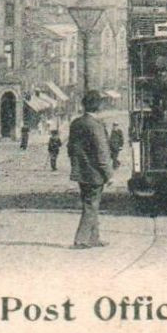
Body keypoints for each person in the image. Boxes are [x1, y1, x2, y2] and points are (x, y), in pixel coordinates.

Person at [67, 91, 113, 249]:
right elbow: (102, 151)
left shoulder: (76, 123)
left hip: (81, 171)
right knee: (91, 205)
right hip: (95, 173)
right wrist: (109, 174)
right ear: (98, 105)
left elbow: (70, 148)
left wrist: (77, 163)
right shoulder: (96, 125)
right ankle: (81, 239)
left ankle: (94, 238)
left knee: (91, 203)